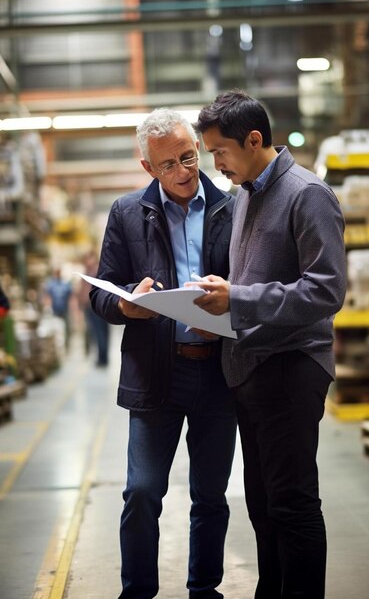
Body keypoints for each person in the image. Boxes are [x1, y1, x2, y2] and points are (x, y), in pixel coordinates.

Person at [190, 90, 347, 599]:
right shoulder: (244, 197)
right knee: (261, 502)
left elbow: (325, 290)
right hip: (251, 368)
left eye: (220, 151)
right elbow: (250, 282)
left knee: (292, 503)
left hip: (292, 365)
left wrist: (238, 298)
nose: (217, 163)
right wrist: (216, 301)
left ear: (254, 140)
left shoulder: (307, 194)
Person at [90, 108, 237, 599]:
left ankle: (204, 589)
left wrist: (227, 308)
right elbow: (100, 293)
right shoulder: (127, 213)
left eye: (189, 157)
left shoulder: (231, 208)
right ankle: (137, 591)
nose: (183, 172)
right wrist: (126, 305)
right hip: (156, 374)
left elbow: (252, 287)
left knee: (211, 496)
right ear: (147, 168)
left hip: (217, 373)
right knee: (143, 491)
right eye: (168, 165)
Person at [78, 249, 109, 366]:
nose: (86, 261)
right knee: (99, 333)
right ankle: (102, 357)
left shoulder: (94, 271)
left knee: (100, 333)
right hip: (91, 306)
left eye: (88, 258)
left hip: (95, 306)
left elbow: (87, 291)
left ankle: (103, 359)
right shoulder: (88, 271)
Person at [44, 268, 73, 349]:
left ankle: (67, 345)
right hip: (55, 311)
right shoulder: (51, 284)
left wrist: (73, 309)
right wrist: (47, 307)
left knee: (66, 329)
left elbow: (71, 297)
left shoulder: (65, 284)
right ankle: (58, 346)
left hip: (65, 310)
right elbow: (48, 296)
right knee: (57, 329)